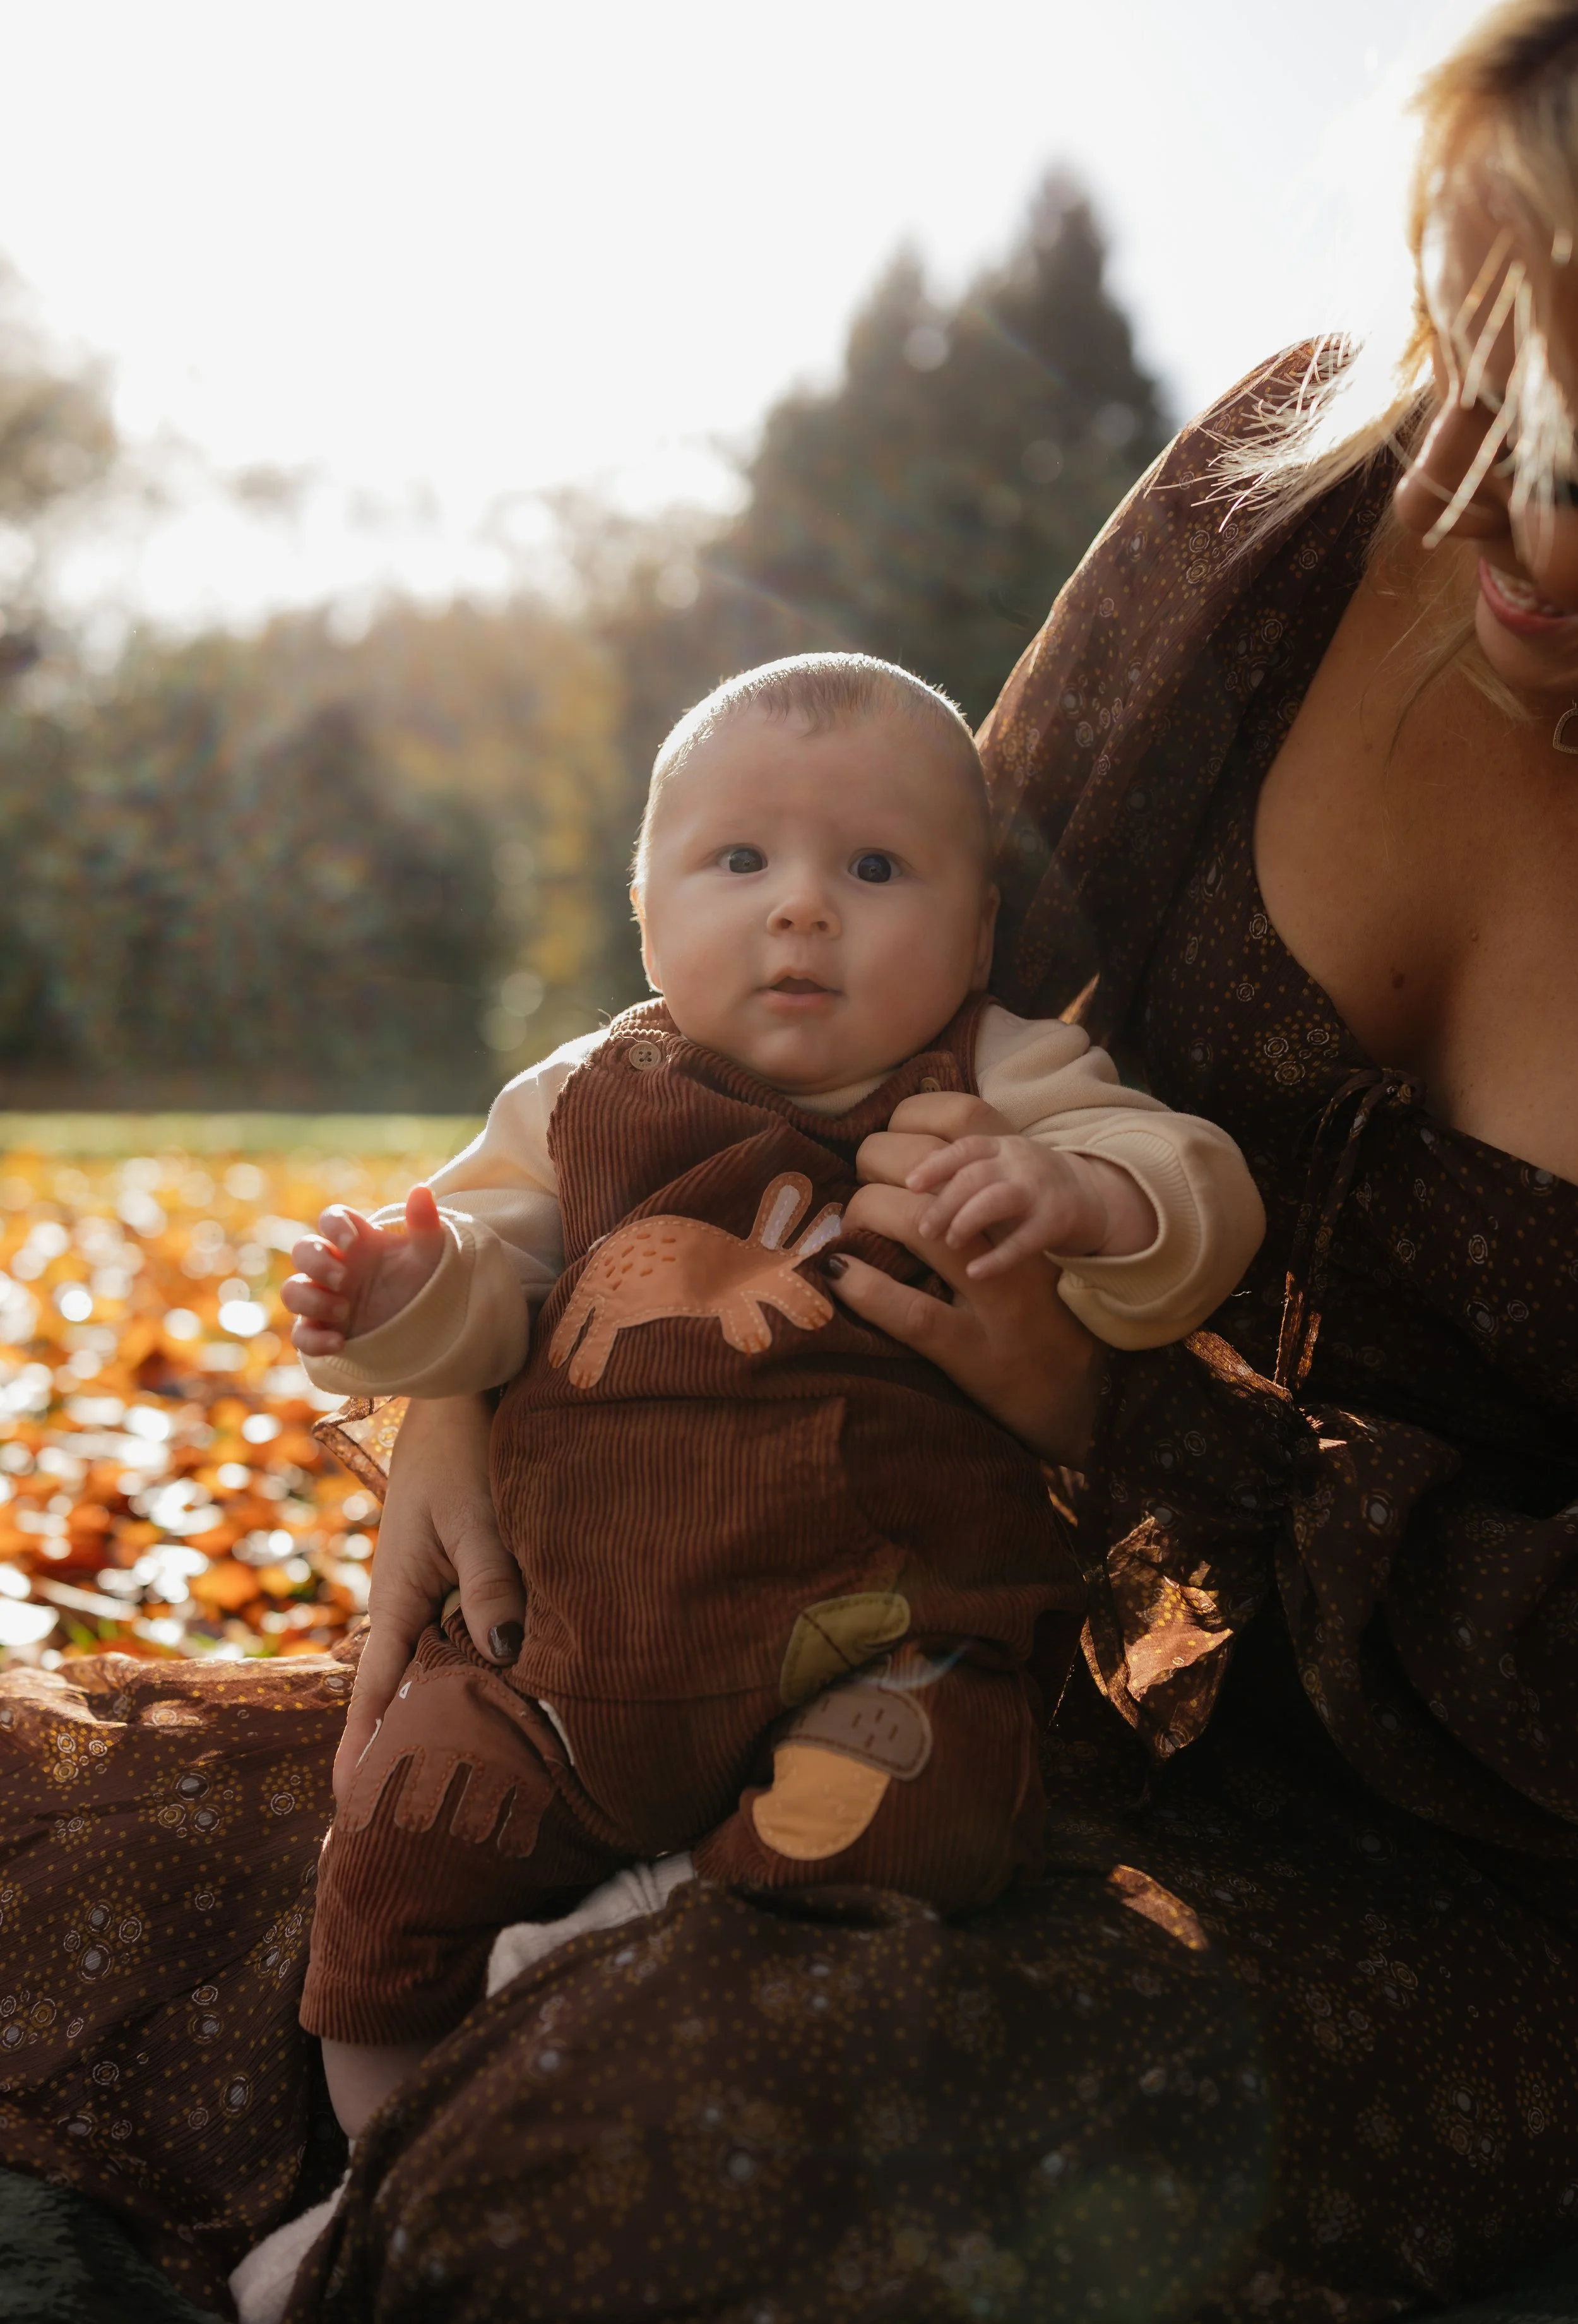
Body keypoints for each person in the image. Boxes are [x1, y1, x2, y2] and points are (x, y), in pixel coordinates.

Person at [3, 3, 1578, 2316]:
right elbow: (836, 970)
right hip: (815, 1588)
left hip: (1425, 1851)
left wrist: (1129, 1418)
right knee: (86, 1840)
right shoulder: (1293, 493)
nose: (1526, 512)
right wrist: (478, 1366)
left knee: (686, 2126)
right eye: (1499, 340)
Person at [280, 652, 1264, 2136]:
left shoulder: (1003, 1074)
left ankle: (662, 1921)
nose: (801, 905)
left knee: (930, 1811)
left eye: (873, 866)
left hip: (880, 1653)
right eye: (738, 859)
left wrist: (1077, 1192)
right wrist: (399, 1299)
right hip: (563, 1664)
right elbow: (483, 1293)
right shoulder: (579, 1097)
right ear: (647, 907)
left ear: (981, 925)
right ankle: (383, 2174)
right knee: (397, 1828)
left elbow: (1201, 1197)